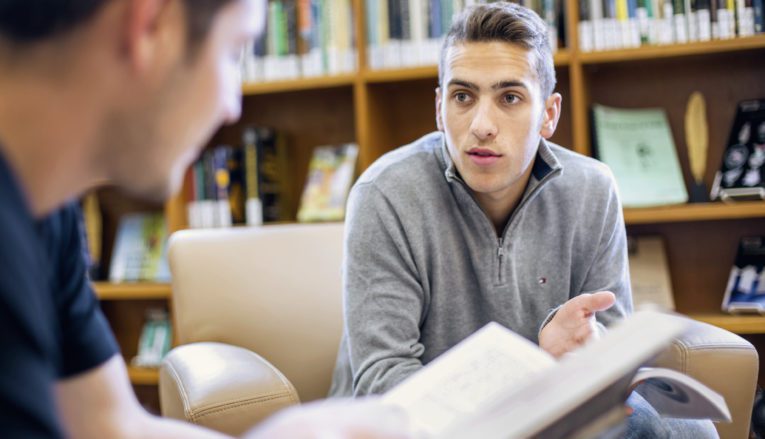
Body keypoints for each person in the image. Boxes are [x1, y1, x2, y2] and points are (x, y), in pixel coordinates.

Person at [0, 0, 408, 437]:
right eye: (233, 53)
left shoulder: (47, 207)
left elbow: (111, 426)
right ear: (152, 24)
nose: (233, 105)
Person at [329, 2, 717, 437]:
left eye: (509, 98)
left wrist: (585, 355)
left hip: (546, 412)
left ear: (548, 115)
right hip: (413, 427)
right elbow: (382, 384)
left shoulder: (592, 189)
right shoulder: (383, 195)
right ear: (440, 109)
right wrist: (534, 371)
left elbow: (611, 354)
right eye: (463, 97)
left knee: (686, 428)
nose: (481, 125)